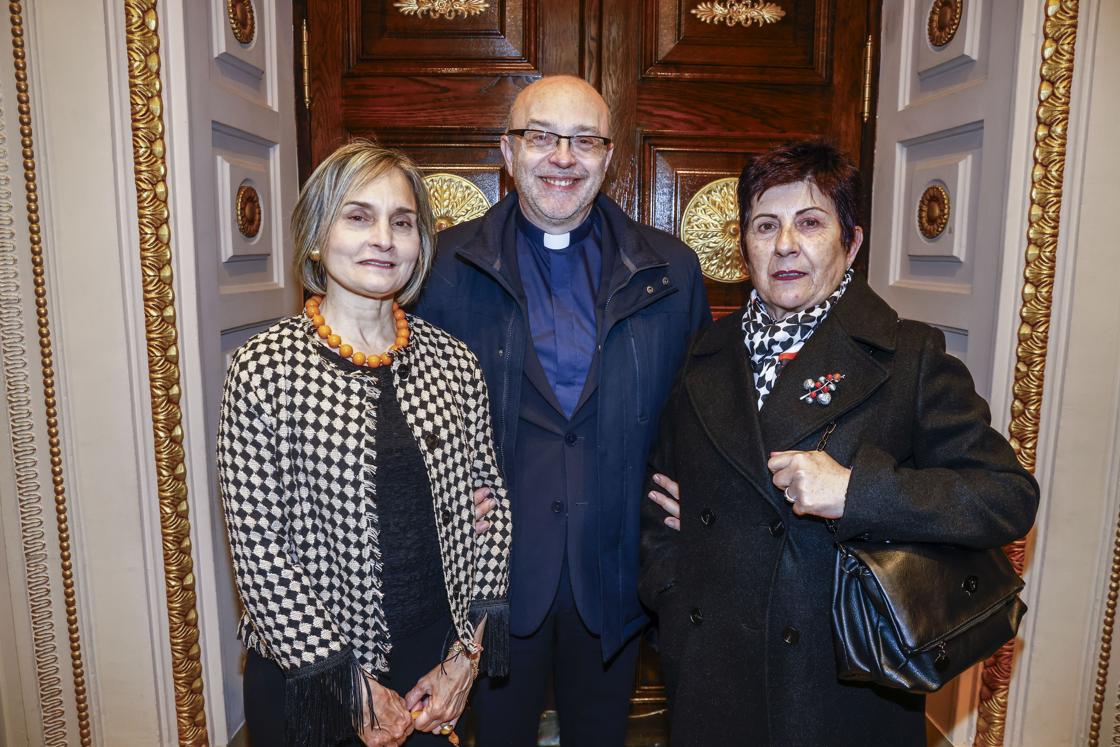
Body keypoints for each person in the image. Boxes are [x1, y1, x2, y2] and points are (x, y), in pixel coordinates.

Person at [639, 139, 1039, 746]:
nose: (785, 246)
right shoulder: (705, 353)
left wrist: (856, 491)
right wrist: (671, 594)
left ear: (850, 243)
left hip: (836, 688)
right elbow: (660, 497)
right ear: (743, 243)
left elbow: (1007, 497)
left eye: (810, 223)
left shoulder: (908, 356)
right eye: (765, 225)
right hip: (711, 674)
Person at [414, 75, 709, 746]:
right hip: (494, 583)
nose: (563, 157)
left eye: (585, 141)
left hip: (616, 575)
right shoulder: (443, 268)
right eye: (542, 137)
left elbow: (701, 413)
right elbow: (405, 416)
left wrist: (708, 501)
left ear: (610, 157)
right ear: (508, 152)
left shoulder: (671, 270)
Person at [217, 141, 511, 747]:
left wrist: (465, 658)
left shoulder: (454, 363)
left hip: (435, 674)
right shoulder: (263, 369)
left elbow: (492, 512)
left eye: (402, 222)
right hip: (311, 675)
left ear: (420, 244)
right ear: (317, 237)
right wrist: (348, 688)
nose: (383, 237)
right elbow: (260, 556)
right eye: (358, 216)